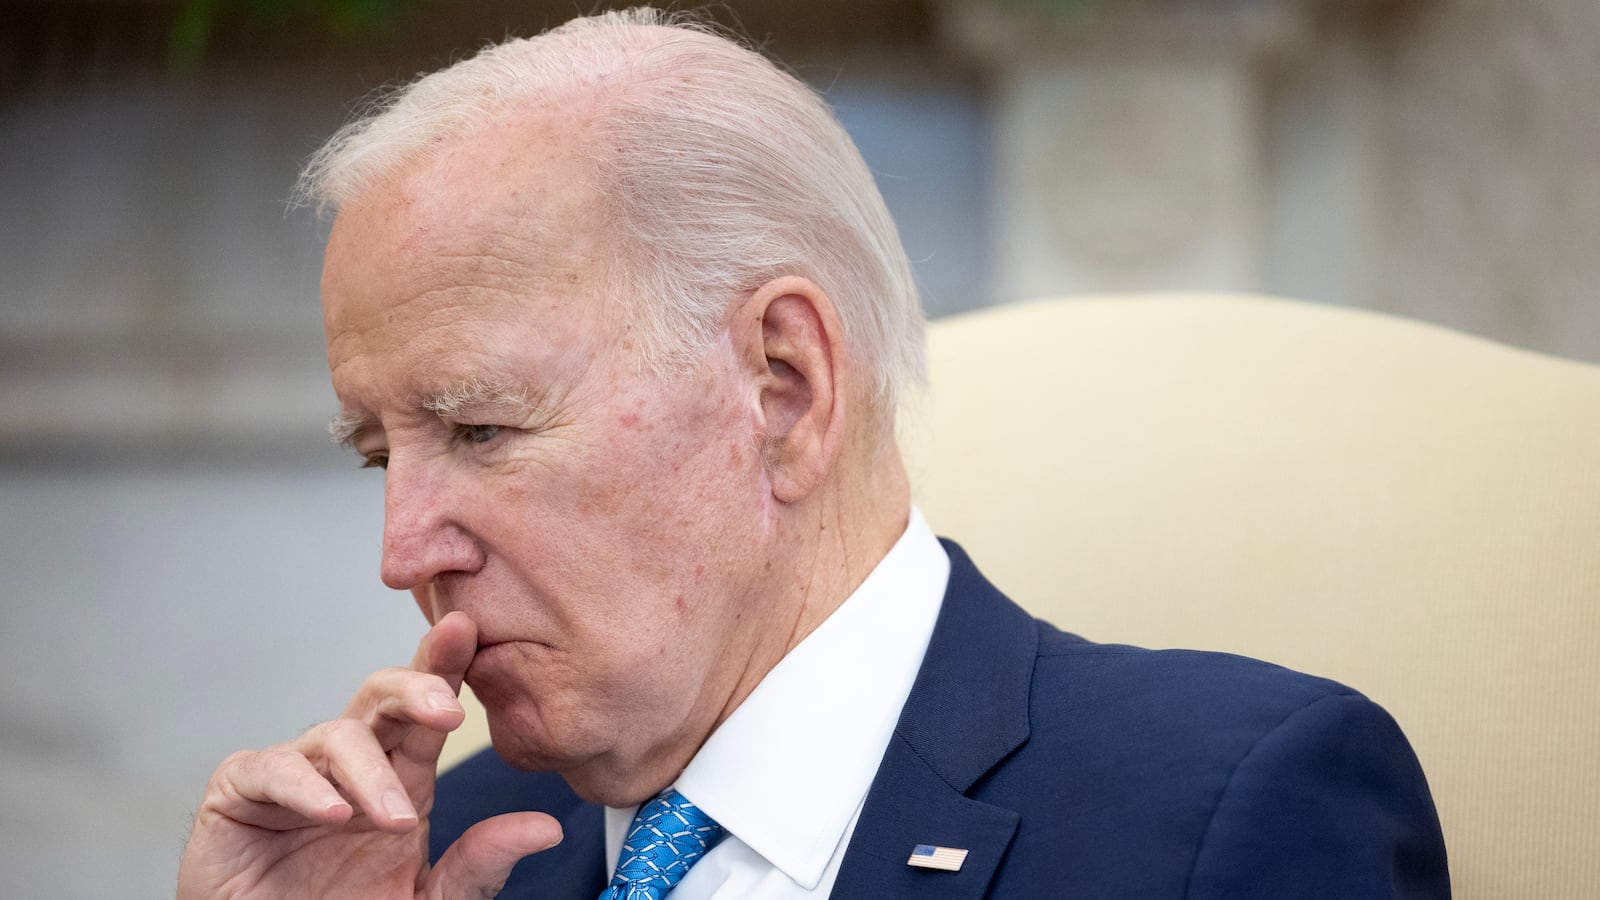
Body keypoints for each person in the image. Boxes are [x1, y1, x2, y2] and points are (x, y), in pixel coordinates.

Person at [177, 8, 1449, 899]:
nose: (404, 553)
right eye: (376, 455)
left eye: (481, 429)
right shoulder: (438, 854)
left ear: (782, 387)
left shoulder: (1225, 809)